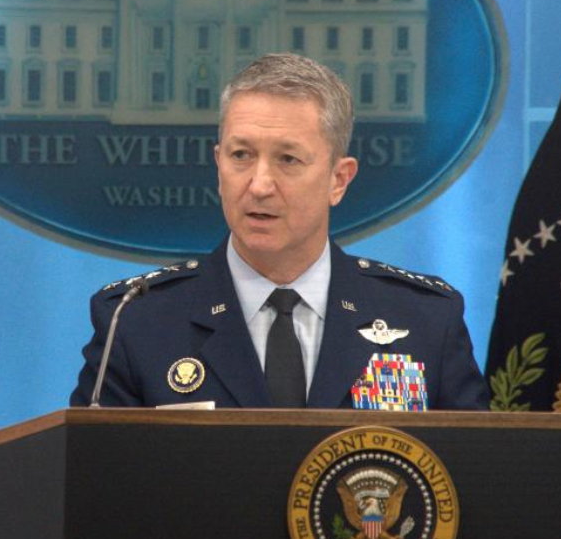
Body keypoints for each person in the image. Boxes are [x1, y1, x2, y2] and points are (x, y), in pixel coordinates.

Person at [70, 53, 488, 410]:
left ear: (338, 180)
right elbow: (92, 475)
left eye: (288, 159)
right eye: (241, 155)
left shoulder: (426, 321)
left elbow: (473, 472)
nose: (259, 185)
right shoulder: (135, 322)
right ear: (218, 165)